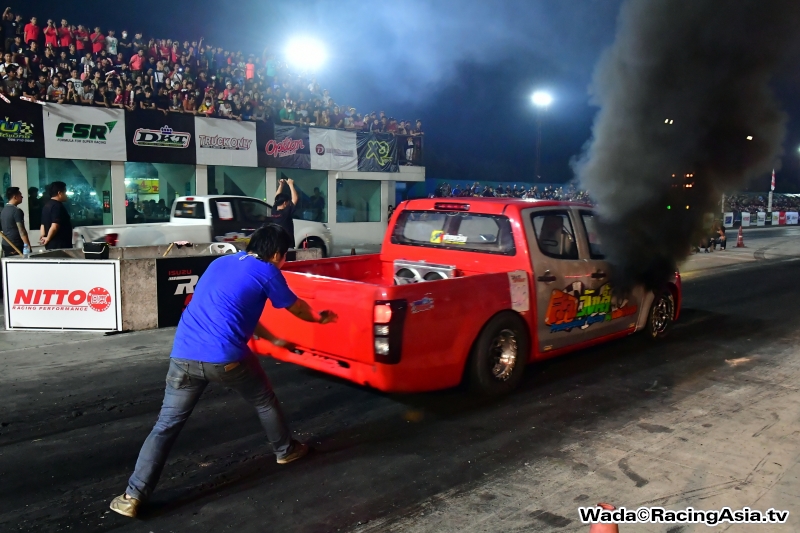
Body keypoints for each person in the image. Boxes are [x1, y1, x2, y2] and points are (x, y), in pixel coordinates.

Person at [109, 224, 338, 518]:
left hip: (183, 355)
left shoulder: (220, 262)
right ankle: (285, 450)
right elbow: (297, 309)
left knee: (165, 426)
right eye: (285, 256)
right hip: (226, 358)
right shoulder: (268, 271)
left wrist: (273, 338)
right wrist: (320, 319)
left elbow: (235, 312)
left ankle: (132, 496)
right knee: (263, 399)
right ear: (278, 254)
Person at [39, 181, 73, 250]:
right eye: (65, 192)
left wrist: (43, 237)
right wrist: (48, 238)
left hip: (50, 245)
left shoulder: (46, 205)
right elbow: (55, 225)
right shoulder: (57, 206)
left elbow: (42, 224)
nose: (66, 195)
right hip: (60, 245)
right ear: (59, 193)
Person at [1, 187, 30, 256]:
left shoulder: (3, 210)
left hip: (5, 243)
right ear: (15, 197)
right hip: (15, 245)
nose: (22, 197)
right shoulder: (17, 211)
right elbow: (22, 231)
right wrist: (27, 246)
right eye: (20, 195)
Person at [269, 178, 298, 248]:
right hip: (287, 244)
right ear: (285, 203)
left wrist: (281, 185)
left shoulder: (274, 211)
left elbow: (277, 198)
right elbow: (295, 199)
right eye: (288, 202)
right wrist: (291, 184)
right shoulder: (285, 213)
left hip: (276, 244)